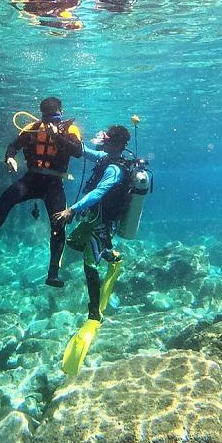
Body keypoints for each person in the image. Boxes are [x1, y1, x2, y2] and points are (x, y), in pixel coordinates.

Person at [0, 97, 83, 286]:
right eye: (47, 119)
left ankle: (53, 273)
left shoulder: (70, 130)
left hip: (53, 183)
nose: (50, 123)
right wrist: (9, 158)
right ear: (42, 116)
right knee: (6, 199)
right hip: (32, 179)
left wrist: (57, 136)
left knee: (58, 223)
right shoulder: (32, 128)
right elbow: (13, 146)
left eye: (54, 119)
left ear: (61, 114)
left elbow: (77, 151)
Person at [52, 124, 132, 320]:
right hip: (94, 217)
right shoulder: (105, 158)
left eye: (107, 139)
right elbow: (83, 151)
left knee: (89, 264)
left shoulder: (114, 169)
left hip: (104, 222)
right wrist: (60, 136)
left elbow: (98, 193)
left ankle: (95, 312)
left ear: (116, 144)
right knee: (73, 242)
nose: (103, 141)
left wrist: (72, 210)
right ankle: (108, 253)